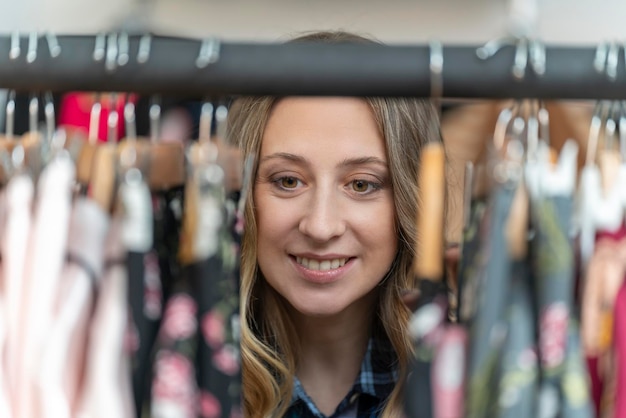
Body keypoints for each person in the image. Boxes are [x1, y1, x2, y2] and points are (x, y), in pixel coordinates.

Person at [228, 31, 443, 418]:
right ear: (240, 194)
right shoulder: (186, 375)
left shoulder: (457, 381)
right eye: (288, 181)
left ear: (411, 203)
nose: (321, 226)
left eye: (361, 184)